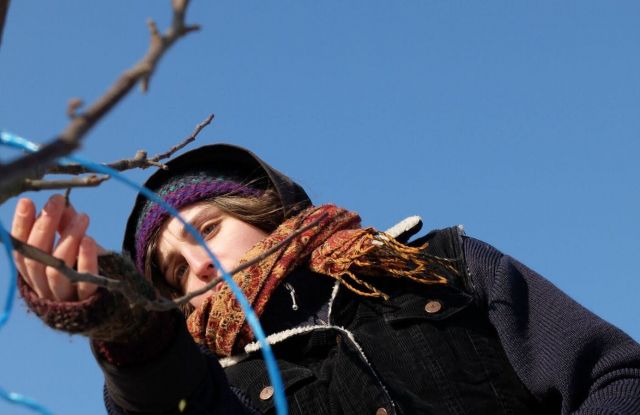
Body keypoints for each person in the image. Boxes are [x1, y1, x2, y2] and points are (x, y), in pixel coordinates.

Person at [11, 144, 640, 414]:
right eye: (173, 272)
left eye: (205, 230)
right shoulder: (209, 386)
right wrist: (123, 319)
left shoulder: (438, 264)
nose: (198, 263)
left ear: (263, 207)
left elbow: (613, 375)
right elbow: (160, 393)